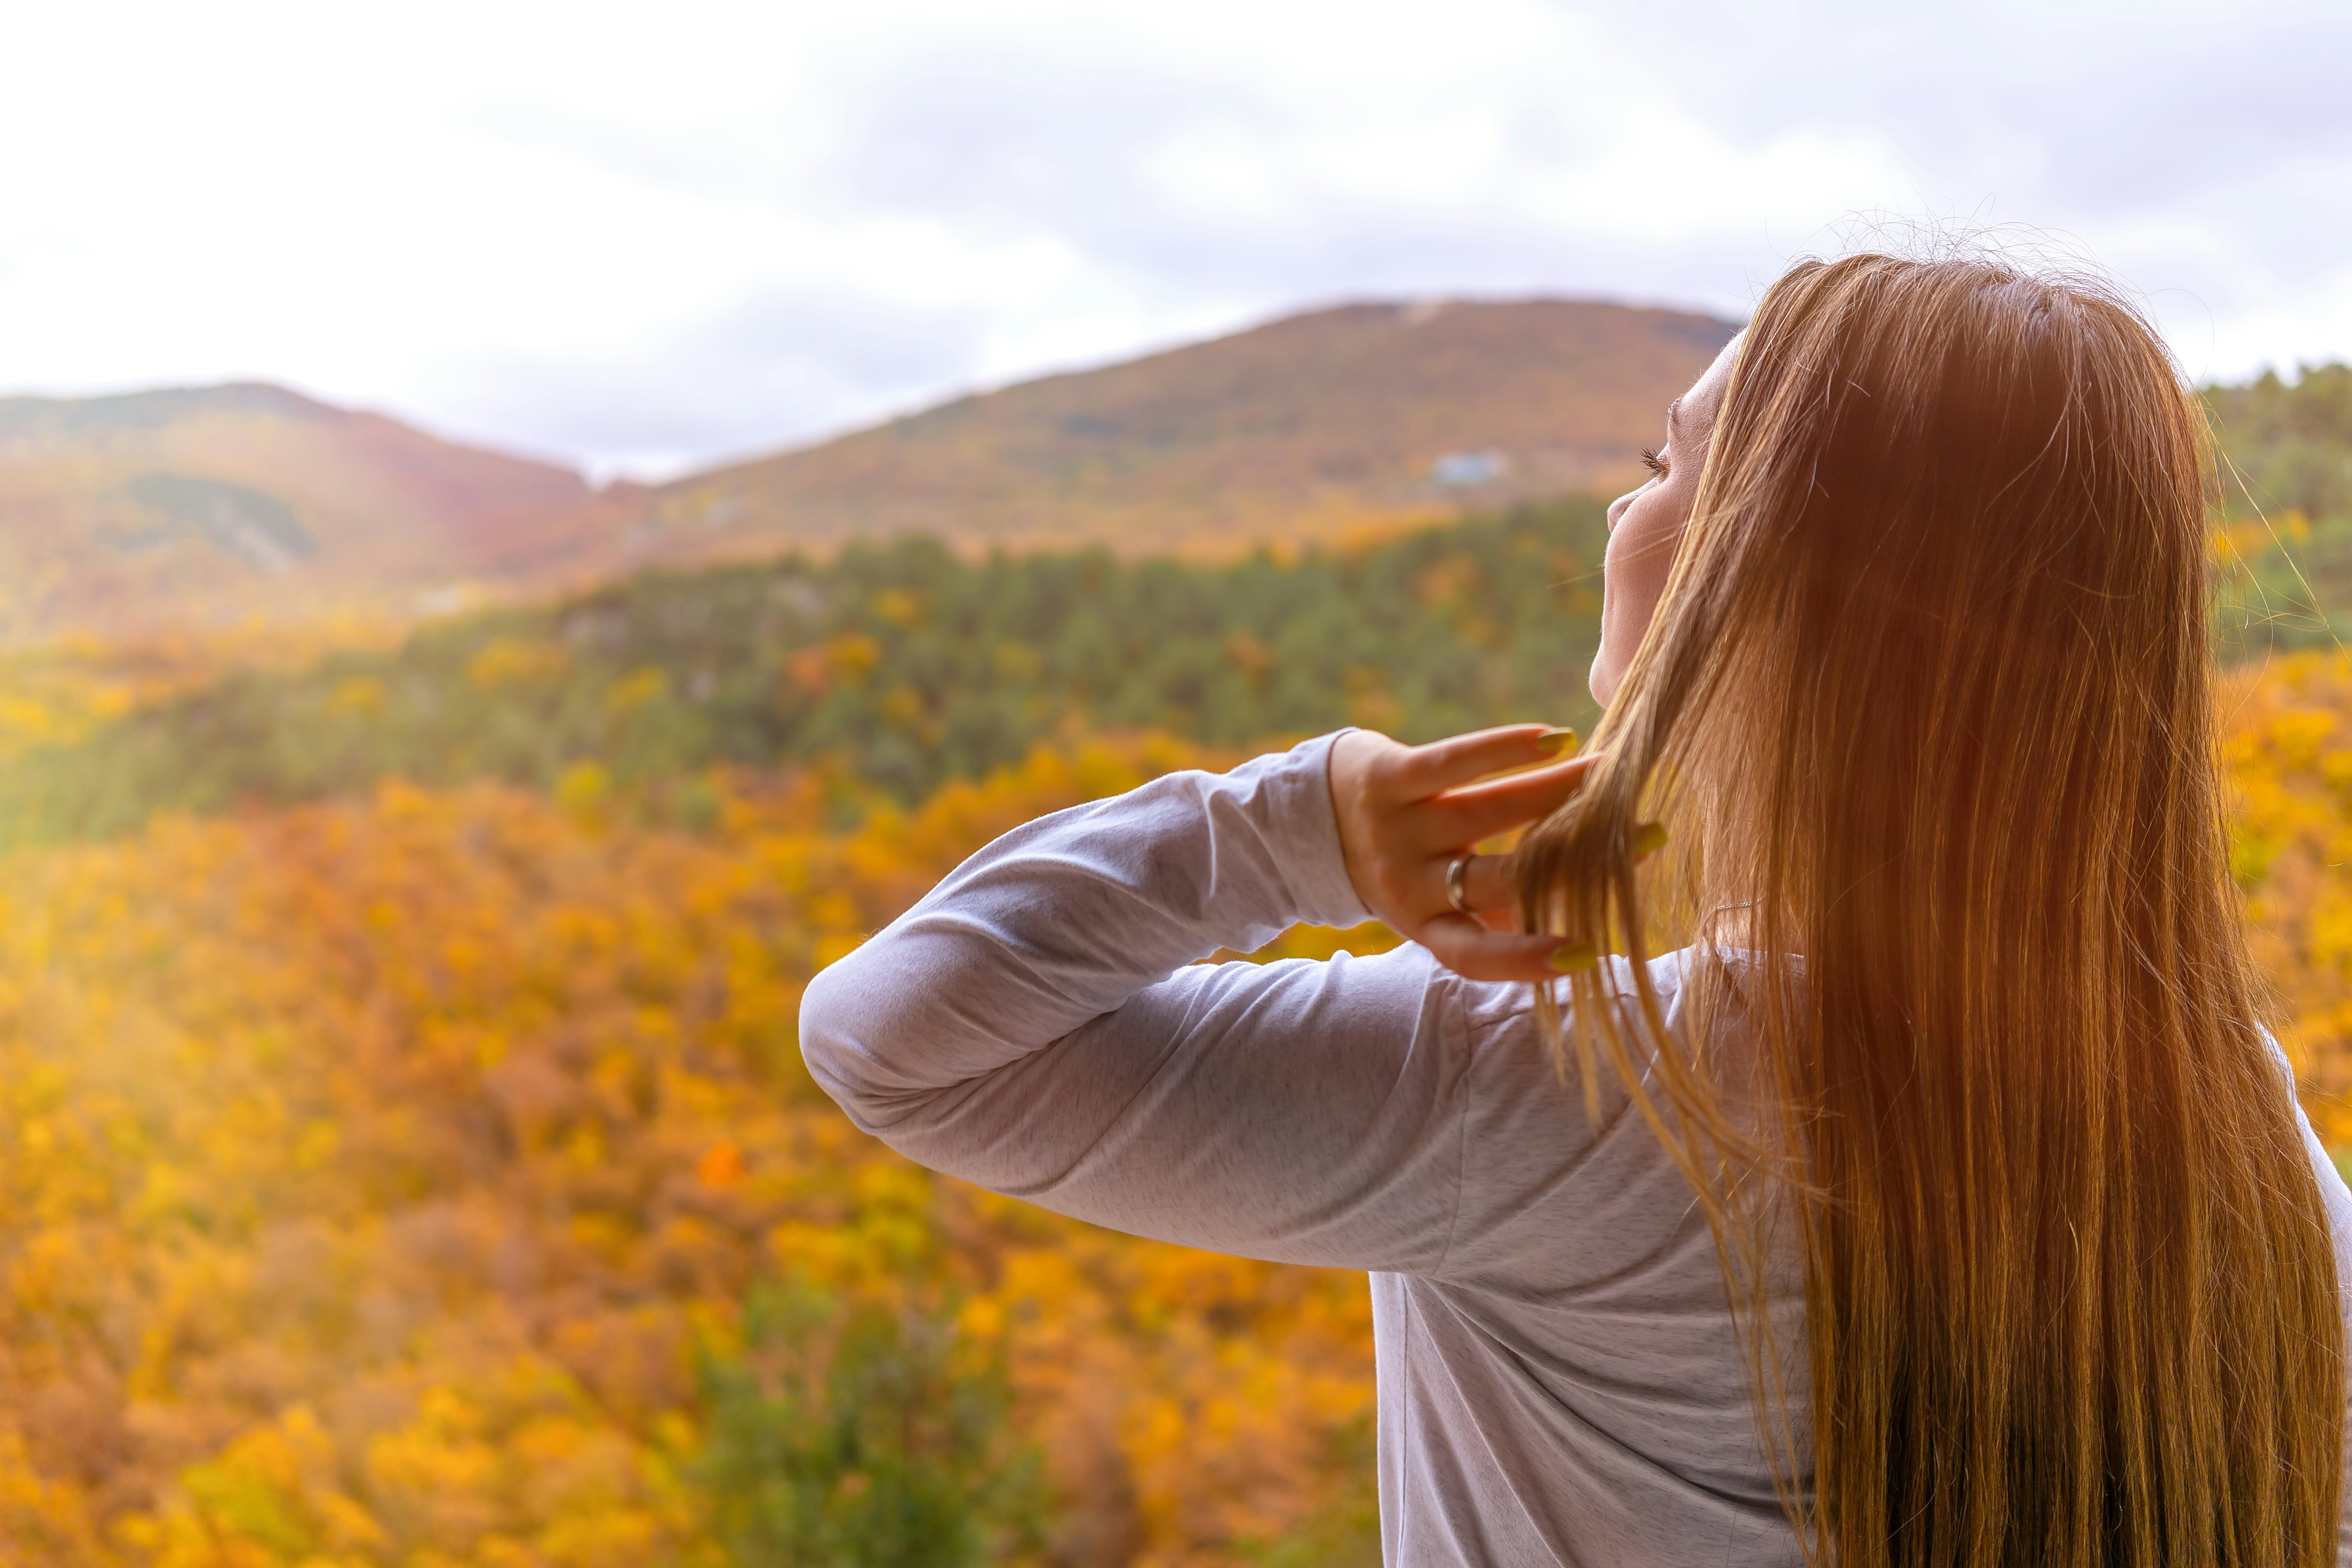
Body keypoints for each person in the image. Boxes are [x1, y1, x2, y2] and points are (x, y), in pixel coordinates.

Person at [799, 252, 2352, 1568]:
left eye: (1669, 465)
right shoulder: (2265, 1158)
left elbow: (896, 1038)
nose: (1622, 511)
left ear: (1781, 582)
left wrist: (1294, 832)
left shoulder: (1587, 1092)